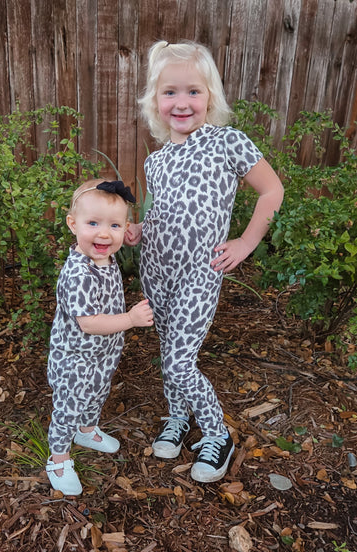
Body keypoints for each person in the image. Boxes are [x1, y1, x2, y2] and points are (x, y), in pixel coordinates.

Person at [125, 40, 284, 483]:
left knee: (180, 360)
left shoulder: (227, 142)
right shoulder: (155, 161)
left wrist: (246, 243)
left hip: (200, 271)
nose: (182, 102)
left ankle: (218, 433)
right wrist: (138, 231)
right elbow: (160, 212)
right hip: (156, 267)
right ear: (155, 103)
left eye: (193, 91)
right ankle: (178, 417)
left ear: (210, 96)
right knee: (168, 348)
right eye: (170, 92)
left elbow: (273, 191)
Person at [46, 179, 154, 495]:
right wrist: (131, 319)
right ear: (72, 224)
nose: (104, 233)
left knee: (97, 392)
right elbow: (89, 323)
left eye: (114, 225)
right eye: (93, 223)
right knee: (69, 403)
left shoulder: (104, 258)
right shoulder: (78, 272)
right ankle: (59, 458)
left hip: (103, 352)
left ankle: (86, 429)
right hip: (75, 357)